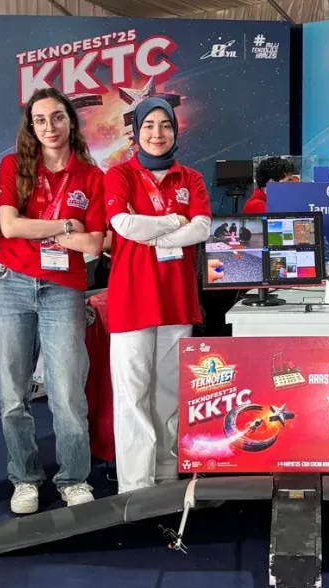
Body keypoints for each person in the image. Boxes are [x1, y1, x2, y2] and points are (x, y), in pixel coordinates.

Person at [0, 87, 106, 514]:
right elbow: (10, 227)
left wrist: (42, 227)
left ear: (71, 121)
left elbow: (93, 242)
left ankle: (74, 478)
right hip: (12, 282)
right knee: (13, 393)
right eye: (40, 120)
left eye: (57, 117)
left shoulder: (91, 177)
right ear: (31, 126)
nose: (49, 127)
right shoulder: (14, 166)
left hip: (62, 287)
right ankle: (24, 477)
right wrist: (65, 225)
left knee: (67, 392)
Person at [104, 98, 212, 493]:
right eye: (148, 125)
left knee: (169, 392)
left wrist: (154, 234)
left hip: (176, 298)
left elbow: (201, 228)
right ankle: (135, 486)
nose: (157, 133)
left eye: (164, 125)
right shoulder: (119, 174)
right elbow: (123, 224)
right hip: (132, 298)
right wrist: (173, 222)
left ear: (174, 130)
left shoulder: (190, 178)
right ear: (136, 131)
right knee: (132, 396)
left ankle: (166, 474)